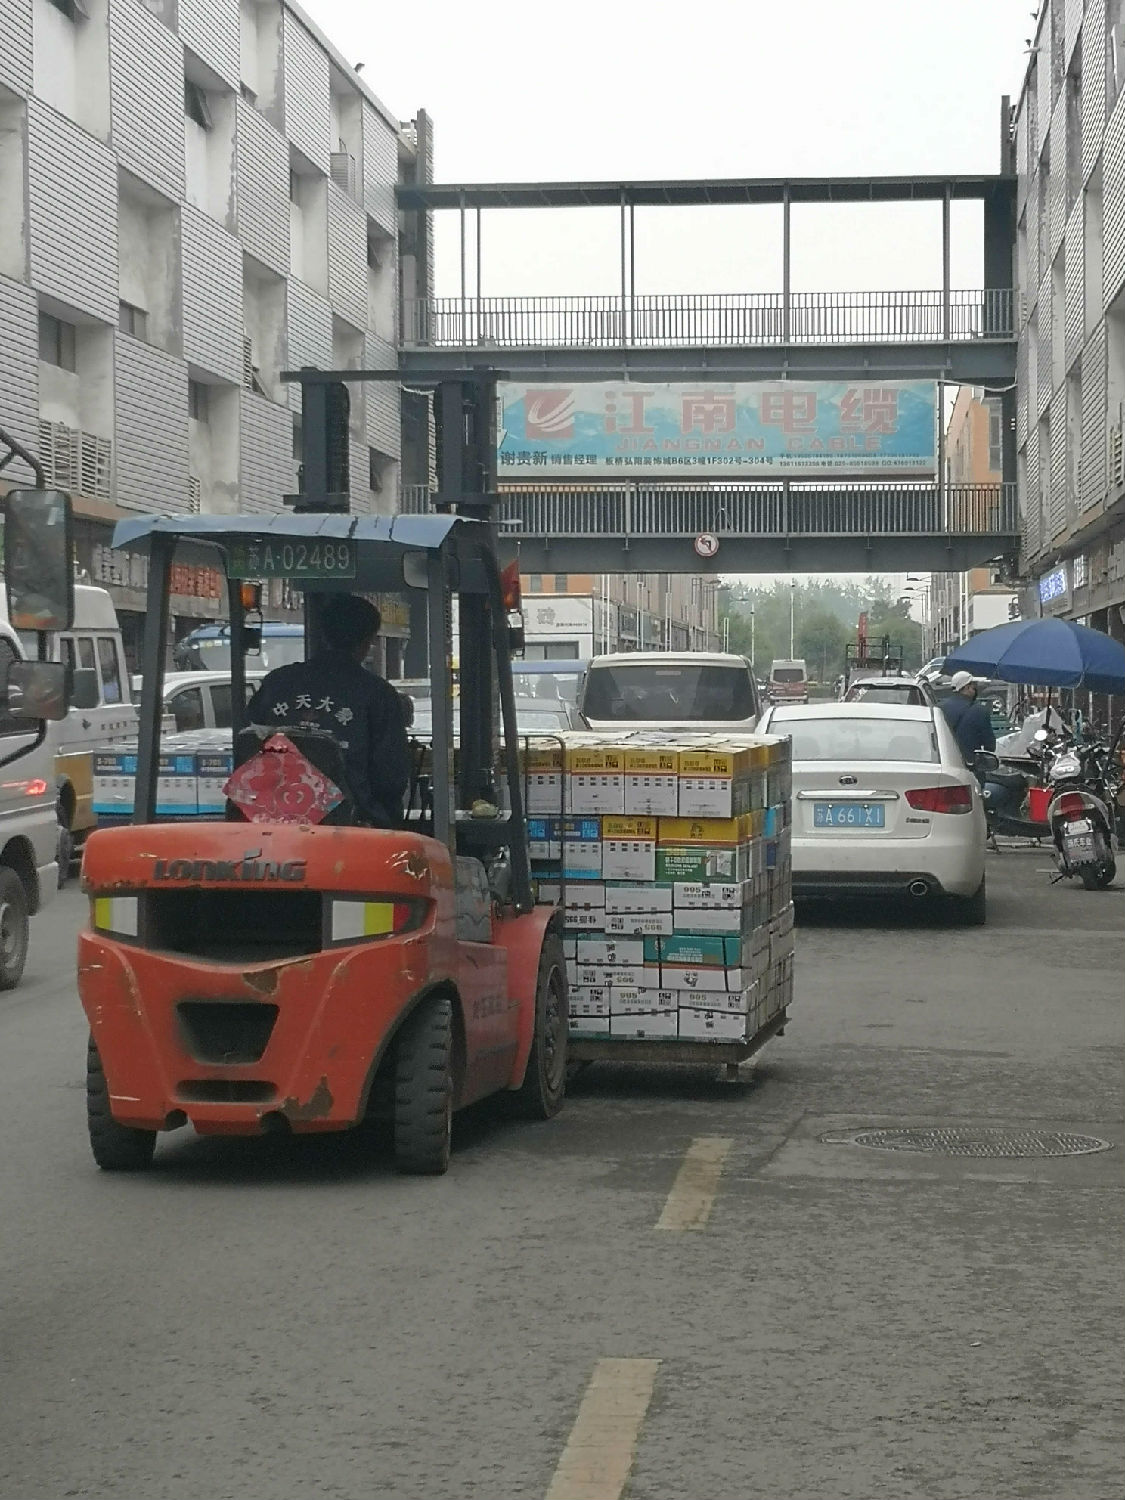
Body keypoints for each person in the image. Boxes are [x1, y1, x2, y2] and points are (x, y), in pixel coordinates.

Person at [247, 595, 410, 827]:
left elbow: (248, 747)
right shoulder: (376, 693)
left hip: (270, 822)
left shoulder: (277, 683)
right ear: (368, 640)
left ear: (323, 635)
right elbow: (390, 778)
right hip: (350, 827)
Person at [940, 670, 996, 761]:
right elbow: (989, 745)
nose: (975, 689)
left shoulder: (940, 708)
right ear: (967, 687)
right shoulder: (980, 711)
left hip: (945, 761)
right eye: (974, 686)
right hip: (970, 764)